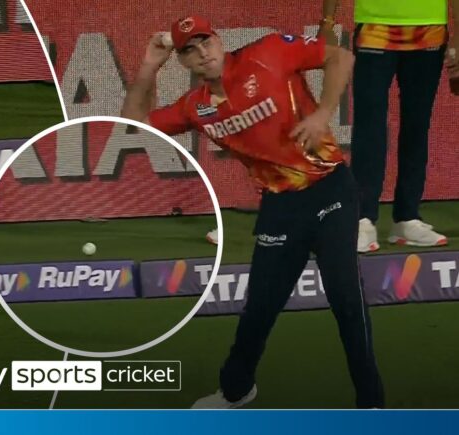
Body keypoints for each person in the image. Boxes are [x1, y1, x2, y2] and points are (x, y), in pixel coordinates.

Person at [122, 15, 384, 408]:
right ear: (183, 62)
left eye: (205, 41)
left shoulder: (268, 52)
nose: (202, 53)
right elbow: (134, 123)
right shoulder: (195, 107)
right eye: (190, 50)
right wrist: (148, 65)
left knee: (346, 299)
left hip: (330, 188)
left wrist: (322, 114)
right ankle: (236, 389)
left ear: (219, 40)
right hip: (280, 205)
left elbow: (341, 57)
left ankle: (372, 405)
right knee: (260, 306)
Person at [319, 0, 457, 252]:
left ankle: (407, 218)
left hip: (430, 28)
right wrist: (327, 22)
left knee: (417, 126)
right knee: (369, 128)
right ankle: (363, 219)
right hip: (375, 27)